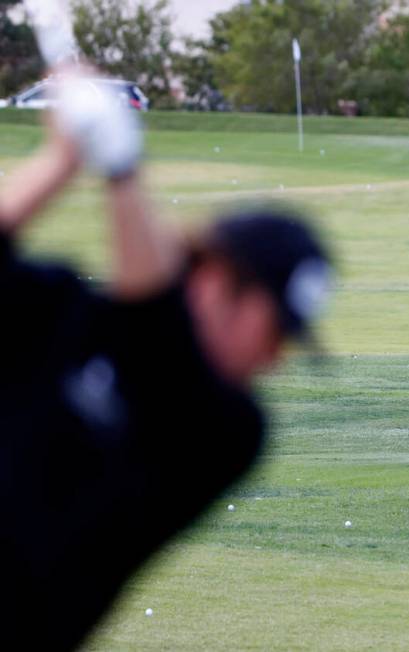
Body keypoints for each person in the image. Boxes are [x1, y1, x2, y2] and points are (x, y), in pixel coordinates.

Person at [0, 68, 331, 649]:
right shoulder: (62, 310)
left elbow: (157, 339)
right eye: (273, 331)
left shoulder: (230, 433)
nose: (273, 361)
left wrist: (122, 171)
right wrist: (63, 160)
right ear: (218, 280)